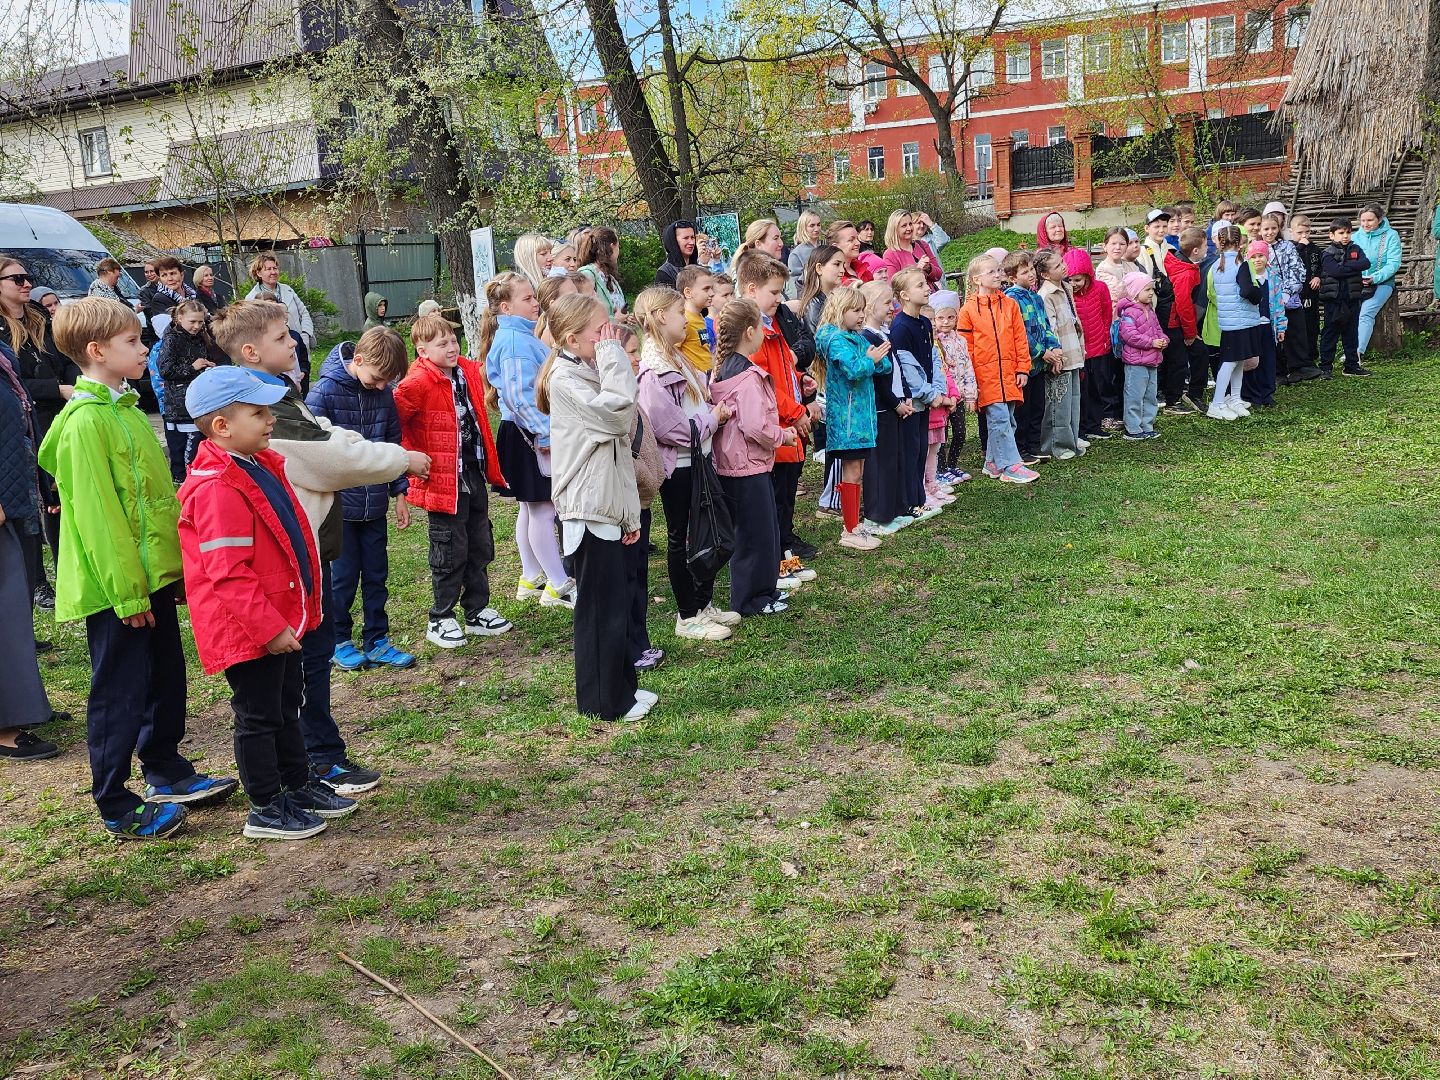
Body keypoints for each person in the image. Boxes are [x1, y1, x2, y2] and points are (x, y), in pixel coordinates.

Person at [38, 298, 239, 838]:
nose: (144, 348)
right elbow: (101, 518)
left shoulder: (125, 409)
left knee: (165, 677)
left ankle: (165, 768)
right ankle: (114, 801)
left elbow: (155, 503)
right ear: (97, 351)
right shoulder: (85, 423)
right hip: (116, 589)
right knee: (120, 691)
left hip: (150, 579)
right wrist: (127, 594)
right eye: (132, 342)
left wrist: (172, 569)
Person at [217, 300, 416, 793]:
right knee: (306, 662)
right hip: (291, 559)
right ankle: (315, 761)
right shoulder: (259, 406)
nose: (293, 343)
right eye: (282, 337)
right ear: (250, 351)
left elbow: (325, 432)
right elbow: (324, 457)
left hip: (306, 550)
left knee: (313, 656)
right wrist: (401, 460)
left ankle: (318, 756)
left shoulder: (277, 393)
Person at [178, 366, 358, 839]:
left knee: (286, 704)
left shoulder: (258, 465)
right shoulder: (218, 487)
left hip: (278, 619)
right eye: (258, 413)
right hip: (249, 628)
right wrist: (269, 628)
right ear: (222, 426)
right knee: (258, 716)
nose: (270, 419)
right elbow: (228, 572)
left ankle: (296, 785)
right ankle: (265, 806)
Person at [536, 294, 653, 723]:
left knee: (615, 604)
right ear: (572, 339)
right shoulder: (565, 381)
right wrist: (613, 355)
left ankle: (623, 689)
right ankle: (603, 702)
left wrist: (628, 514)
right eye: (600, 331)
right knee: (600, 611)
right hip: (587, 509)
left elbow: (617, 453)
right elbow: (619, 414)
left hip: (605, 503)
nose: (609, 337)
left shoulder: (584, 370)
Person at [394, 312, 510, 650]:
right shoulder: (416, 383)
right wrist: (410, 458)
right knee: (448, 549)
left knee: (479, 542)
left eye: (453, 340)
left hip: (471, 471)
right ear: (422, 350)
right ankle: (441, 616)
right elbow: (395, 422)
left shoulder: (466, 371)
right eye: (441, 343)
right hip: (442, 480)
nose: (451, 347)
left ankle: (477, 609)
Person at [305, 327, 415, 672]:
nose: (382, 386)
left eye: (388, 381)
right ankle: (339, 640)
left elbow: (392, 444)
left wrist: (399, 491)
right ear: (359, 359)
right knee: (342, 579)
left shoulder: (384, 394)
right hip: (340, 510)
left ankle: (377, 639)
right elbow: (311, 448)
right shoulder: (323, 392)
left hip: (375, 505)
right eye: (378, 378)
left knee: (377, 575)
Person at [634, 285, 737, 640]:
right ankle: (688, 615)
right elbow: (670, 428)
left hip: (698, 457)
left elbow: (696, 402)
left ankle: (703, 603)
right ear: (661, 316)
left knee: (705, 529)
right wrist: (713, 420)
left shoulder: (676, 357)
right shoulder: (653, 370)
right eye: (680, 313)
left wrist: (710, 412)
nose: (686, 320)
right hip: (678, 465)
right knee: (683, 537)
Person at [478, 272, 574, 609]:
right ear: (506, 307)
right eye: (528, 298)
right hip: (529, 434)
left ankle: (532, 576)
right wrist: (544, 432)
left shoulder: (517, 335)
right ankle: (558, 585)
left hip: (524, 431)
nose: (536, 303)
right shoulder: (515, 342)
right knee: (543, 509)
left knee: (532, 508)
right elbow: (519, 396)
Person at [710, 298, 796, 617]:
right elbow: (754, 425)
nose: (764, 333)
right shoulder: (747, 377)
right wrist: (781, 436)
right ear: (749, 332)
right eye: (761, 327)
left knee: (761, 531)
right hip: (746, 467)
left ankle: (765, 589)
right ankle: (750, 599)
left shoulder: (723, 370)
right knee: (754, 536)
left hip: (738, 465)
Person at [0, 255, 77, 609]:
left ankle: (66, 570)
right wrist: (56, 389)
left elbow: (65, 359)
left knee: (58, 497)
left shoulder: (39, 318)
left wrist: (75, 382)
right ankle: (38, 584)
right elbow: (14, 386)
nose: (26, 283)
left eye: (27, 276)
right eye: (17, 279)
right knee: (36, 504)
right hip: (30, 422)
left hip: (62, 415)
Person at [0, 338, 62, 761]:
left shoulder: (4, 352)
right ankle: (5, 724)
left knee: (14, 612)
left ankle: (23, 707)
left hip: (15, 498)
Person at [737, 251, 815, 584]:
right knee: (774, 496)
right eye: (774, 292)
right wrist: (796, 412)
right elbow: (764, 387)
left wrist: (801, 381)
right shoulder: (752, 334)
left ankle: (784, 545)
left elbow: (782, 371)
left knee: (785, 492)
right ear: (751, 289)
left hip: (787, 427)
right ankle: (776, 553)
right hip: (775, 430)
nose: (780, 298)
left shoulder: (772, 325)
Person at [814, 286, 888, 551]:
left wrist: (875, 359)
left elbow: (883, 365)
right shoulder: (835, 340)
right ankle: (849, 529)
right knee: (852, 473)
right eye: (855, 310)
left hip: (861, 420)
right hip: (847, 421)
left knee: (858, 471)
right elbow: (854, 369)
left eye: (862, 310)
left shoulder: (855, 337)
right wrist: (870, 360)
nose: (861, 315)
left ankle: (854, 525)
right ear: (839, 310)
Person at [956, 255, 1037, 484]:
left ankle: (992, 462)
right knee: (1000, 420)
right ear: (976, 279)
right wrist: (971, 380)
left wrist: (1022, 368)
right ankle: (1010, 465)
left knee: (1008, 420)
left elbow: (1020, 339)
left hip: (1009, 374)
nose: (998, 274)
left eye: (999, 270)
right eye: (991, 271)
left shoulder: (1010, 305)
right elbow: (965, 349)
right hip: (985, 377)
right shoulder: (968, 310)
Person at [614, 323, 665, 672]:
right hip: (626, 502)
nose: (638, 359)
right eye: (632, 352)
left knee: (638, 575)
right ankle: (630, 646)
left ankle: (640, 640)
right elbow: (623, 452)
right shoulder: (616, 402)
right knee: (626, 579)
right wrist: (646, 476)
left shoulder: (631, 392)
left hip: (641, 501)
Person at [889, 267, 946, 514]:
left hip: (927, 398)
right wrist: (929, 394)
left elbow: (932, 357)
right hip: (912, 400)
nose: (926, 289)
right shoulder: (900, 327)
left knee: (922, 447)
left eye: (926, 284)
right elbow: (907, 368)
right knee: (910, 450)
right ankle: (910, 501)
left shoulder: (923, 322)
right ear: (904, 295)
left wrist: (938, 389)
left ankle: (919, 498)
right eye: (920, 285)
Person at [858, 280, 910, 533]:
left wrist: (905, 395)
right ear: (869, 306)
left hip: (894, 405)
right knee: (881, 463)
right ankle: (877, 514)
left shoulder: (883, 334)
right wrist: (895, 402)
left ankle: (894, 509)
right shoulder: (867, 338)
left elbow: (897, 368)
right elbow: (878, 380)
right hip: (882, 408)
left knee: (894, 459)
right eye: (887, 302)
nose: (893, 307)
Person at [1002, 251, 1062, 466]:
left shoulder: (1036, 297)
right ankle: (1021, 448)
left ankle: (1034, 445)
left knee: (1039, 406)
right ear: (1012, 277)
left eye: (1031, 270)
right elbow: (1020, 334)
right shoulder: (1011, 299)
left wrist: (1054, 347)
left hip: (1040, 365)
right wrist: (1041, 351)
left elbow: (1045, 325)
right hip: (1024, 364)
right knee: (1023, 410)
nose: (1031, 274)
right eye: (1024, 272)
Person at [1199, 225, 1263, 419]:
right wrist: (1258, 293)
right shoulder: (1241, 264)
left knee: (1238, 360)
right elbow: (1247, 291)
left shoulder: (1217, 265)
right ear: (1239, 242)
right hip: (1241, 320)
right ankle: (1217, 403)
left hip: (1228, 320)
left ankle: (1235, 398)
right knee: (1230, 362)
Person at [157, 299, 225, 475]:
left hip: (199, 400)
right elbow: (165, 370)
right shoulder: (171, 338)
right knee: (184, 451)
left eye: (200, 322)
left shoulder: (201, 336)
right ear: (180, 318)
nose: (196, 326)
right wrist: (192, 367)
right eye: (192, 321)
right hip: (179, 404)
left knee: (199, 447)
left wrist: (208, 365)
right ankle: (183, 480)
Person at [1035, 250, 1085, 460]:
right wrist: (1056, 357)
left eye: (1062, 262)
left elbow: (1073, 321)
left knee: (1073, 400)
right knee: (1058, 404)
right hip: (1061, 356)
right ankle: (1056, 444)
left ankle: (1071, 437)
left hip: (1073, 352)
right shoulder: (1046, 295)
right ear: (1045, 274)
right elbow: (1051, 329)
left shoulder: (1066, 288)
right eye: (1057, 266)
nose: (1064, 266)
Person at [1065, 247, 1111, 445]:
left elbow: (1106, 314)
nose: (1074, 284)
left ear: (1087, 276)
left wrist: (1105, 337)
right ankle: (1080, 427)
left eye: (1078, 280)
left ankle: (1095, 425)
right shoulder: (1066, 294)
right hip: (1078, 350)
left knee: (1097, 387)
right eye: (1070, 280)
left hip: (1098, 347)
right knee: (1081, 391)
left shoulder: (1100, 288)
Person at [1094, 228, 1138, 433]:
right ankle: (1109, 413)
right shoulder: (1103, 269)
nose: (1118, 247)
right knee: (1110, 370)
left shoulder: (1131, 265)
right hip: (1113, 324)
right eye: (1113, 243)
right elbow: (1120, 292)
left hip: (1132, 324)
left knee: (1125, 369)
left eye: (1122, 243)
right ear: (1105, 246)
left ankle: (1125, 409)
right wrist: (1133, 287)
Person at [930, 290, 976, 481]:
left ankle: (952, 464)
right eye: (940, 318)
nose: (946, 322)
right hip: (943, 398)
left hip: (959, 396)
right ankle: (940, 469)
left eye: (951, 317)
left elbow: (968, 367)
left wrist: (971, 394)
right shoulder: (934, 341)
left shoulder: (961, 340)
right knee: (942, 435)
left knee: (960, 432)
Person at [1115, 273, 1167, 440]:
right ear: (1135, 292)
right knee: (1134, 396)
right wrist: (1152, 342)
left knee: (1150, 395)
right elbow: (1129, 335)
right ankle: (1132, 428)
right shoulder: (1129, 313)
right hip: (1136, 362)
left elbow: (1158, 329)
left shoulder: (1150, 310)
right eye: (1147, 289)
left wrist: (1164, 340)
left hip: (1152, 361)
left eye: (1152, 289)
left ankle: (1147, 425)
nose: (1151, 292)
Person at [1318, 218, 1371, 378]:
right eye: (1341, 233)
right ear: (1331, 235)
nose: (1345, 236)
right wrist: (1352, 268)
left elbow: (1365, 263)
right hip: (1334, 300)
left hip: (1352, 298)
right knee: (1330, 333)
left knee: (1351, 333)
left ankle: (1351, 365)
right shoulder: (1327, 253)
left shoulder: (1356, 249)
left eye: (1348, 232)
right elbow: (1335, 271)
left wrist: (1344, 266)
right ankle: (1325, 367)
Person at [1163, 227, 1207, 413]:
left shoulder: (1179, 262)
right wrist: (1190, 333)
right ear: (1195, 250)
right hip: (1174, 322)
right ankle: (1174, 401)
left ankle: (1186, 394)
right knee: (1179, 362)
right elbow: (1183, 304)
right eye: (1205, 246)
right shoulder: (1186, 272)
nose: (1207, 249)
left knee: (1185, 358)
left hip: (1174, 320)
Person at [1353, 203, 1401, 367]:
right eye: (1363, 220)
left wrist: (1375, 277)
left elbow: (1393, 263)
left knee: (1366, 313)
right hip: (1357, 282)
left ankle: (1357, 353)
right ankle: (1348, 348)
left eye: (1370, 220)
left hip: (1383, 282)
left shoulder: (1391, 236)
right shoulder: (1355, 237)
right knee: (1350, 313)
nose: (1365, 224)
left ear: (1379, 219)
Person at [245, 253, 315, 364]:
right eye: (268, 269)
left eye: (275, 268)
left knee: (302, 371)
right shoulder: (251, 298)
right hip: (273, 353)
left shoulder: (288, 290)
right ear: (258, 273)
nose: (273, 272)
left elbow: (304, 313)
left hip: (297, 344)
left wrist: (305, 334)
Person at [1241, 239, 1285, 409]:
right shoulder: (1246, 277)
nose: (1257, 260)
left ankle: (1267, 393)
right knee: (1252, 360)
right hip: (1251, 325)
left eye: (1261, 256)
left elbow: (1279, 304)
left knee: (1268, 360)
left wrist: (1281, 326)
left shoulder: (1273, 278)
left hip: (1268, 325)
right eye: (1253, 257)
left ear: (1267, 257)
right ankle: (1251, 394)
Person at [1284, 214, 1324, 382]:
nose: (1304, 236)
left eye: (1307, 232)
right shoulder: (1290, 248)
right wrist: (1300, 246)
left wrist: (1318, 277)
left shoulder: (1315, 249)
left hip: (1312, 295)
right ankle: (1295, 361)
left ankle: (1311, 357)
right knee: (1297, 328)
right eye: (1299, 232)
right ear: (1291, 231)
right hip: (1296, 297)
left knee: (1312, 325)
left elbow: (1321, 266)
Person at [880, 210, 943, 287]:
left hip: (931, 293)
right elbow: (893, 285)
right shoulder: (890, 255)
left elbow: (938, 274)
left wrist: (929, 268)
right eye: (904, 226)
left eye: (910, 224)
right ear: (895, 229)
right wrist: (917, 269)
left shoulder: (922, 245)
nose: (909, 228)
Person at [793, 245, 845, 334]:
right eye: (837, 264)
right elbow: (817, 338)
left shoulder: (833, 299)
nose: (842, 270)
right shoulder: (813, 304)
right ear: (819, 268)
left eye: (843, 265)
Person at [674, 265, 716, 373]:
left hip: (707, 376)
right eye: (706, 289)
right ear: (688, 292)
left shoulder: (699, 317)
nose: (712, 293)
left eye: (712, 288)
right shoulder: (684, 320)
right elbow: (673, 350)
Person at [578, 227, 627, 317]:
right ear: (612, 246)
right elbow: (585, 313)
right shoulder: (588, 274)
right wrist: (614, 319)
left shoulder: (609, 276)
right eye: (618, 246)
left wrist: (626, 317)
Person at [144, 256, 196, 337]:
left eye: (173, 273)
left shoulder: (192, 294)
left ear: (182, 275)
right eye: (164, 275)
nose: (170, 279)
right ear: (160, 279)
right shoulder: (159, 300)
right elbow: (166, 333)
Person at [654, 220, 698, 288]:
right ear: (674, 241)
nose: (691, 242)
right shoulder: (665, 273)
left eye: (692, 237)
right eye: (686, 238)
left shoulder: (699, 268)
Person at [827, 220, 872, 285]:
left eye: (857, 238)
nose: (858, 243)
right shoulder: (831, 275)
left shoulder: (862, 269)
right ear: (835, 246)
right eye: (851, 240)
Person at [788, 211, 823, 283]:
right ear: (803, 227)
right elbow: (796, 283)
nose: (816, 229)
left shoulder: (825, 248)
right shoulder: (796, 253)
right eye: (812, 225)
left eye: (818, 225)